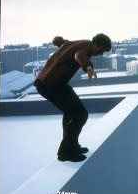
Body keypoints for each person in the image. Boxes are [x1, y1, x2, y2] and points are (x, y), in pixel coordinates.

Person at [34, 33, 112, 162]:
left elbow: (64, 43)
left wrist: (57, 41)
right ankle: (65, 152)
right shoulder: (85, 49)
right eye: (101, 50)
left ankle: (72, 146)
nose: (100, 54)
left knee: (71, 113)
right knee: (80, 115)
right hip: (51, 85)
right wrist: (87, 67)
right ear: (97, 45)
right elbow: (79, 56)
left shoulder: (78, 43)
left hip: (51, 83)